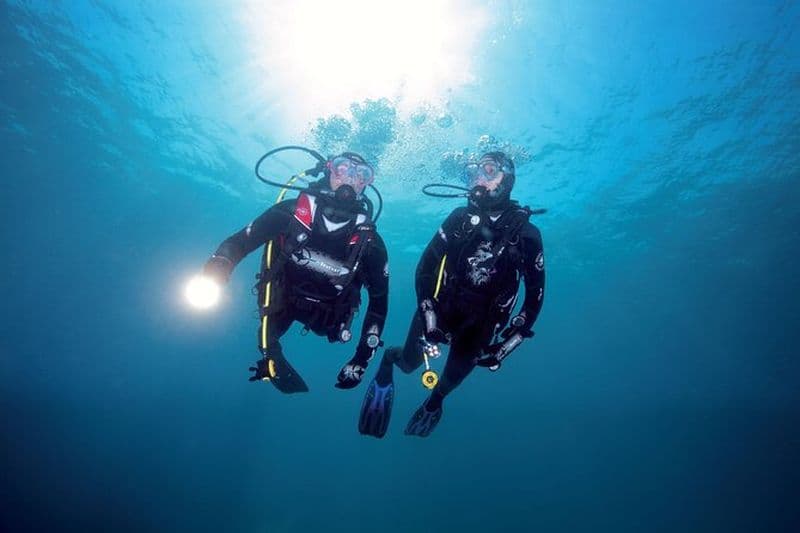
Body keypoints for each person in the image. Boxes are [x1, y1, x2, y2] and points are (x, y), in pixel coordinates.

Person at [359, 151, 545, 437]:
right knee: (408, 364)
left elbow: (534, 297)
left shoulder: (528, 234)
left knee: (444, 386)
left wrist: (507, 346)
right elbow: (425, 268)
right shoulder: (459, 218)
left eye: (488, 171)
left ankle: (433, 403)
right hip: (440, 309)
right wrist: (428, 312)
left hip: (481, 325)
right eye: (472, 174)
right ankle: (388, 362)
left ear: (507, 179)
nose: (478, 179)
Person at [202, 152, 389, 393]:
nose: (351, 179)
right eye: (343, 169)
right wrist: (216, 270)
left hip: (330, 317)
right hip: (283, 301)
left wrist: (362, 358)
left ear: (367, 183)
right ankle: (271, 354)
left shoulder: (370, 243)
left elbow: (379, 302)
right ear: (329, 169)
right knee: (267, 337)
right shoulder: (289, 213)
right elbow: (238, 243)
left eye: (362, 175)